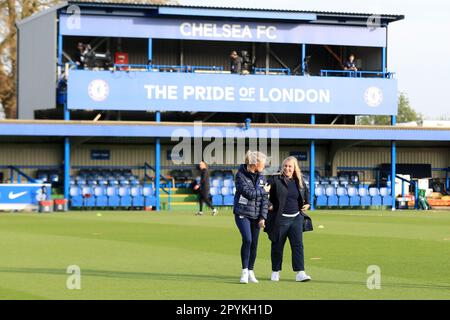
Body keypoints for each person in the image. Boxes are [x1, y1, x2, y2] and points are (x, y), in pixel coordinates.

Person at [265, 156, 312, 282]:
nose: (287, 168)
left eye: (290, 166)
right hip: (280, 219)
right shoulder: (275, 179)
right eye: (285, 166)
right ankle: (275, 271)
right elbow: (264, 194)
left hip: (296, 218)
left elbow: (306, 194)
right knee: (277, 245)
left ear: (294, 168)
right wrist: (269, 205)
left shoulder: (300, 180)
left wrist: (307, 203)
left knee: (298, 245)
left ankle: (300, 272)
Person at [233, 151, 270, 284]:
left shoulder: (262, 177)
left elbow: (264, 200)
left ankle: (250, 271)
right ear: (255, 164)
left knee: (254, 243)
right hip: (242, 213)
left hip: (256, 216)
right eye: (263, 163)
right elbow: (248, 193)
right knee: (247, 240)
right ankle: (244, 271)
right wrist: (263, 191)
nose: (264, 166)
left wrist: (262, 217)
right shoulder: (240, 176)